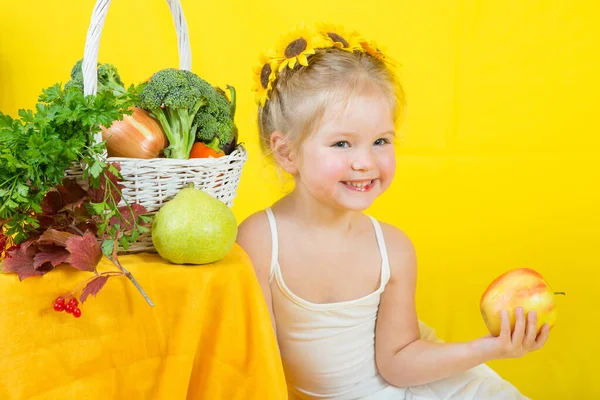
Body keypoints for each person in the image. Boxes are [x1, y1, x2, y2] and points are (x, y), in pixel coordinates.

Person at [237, 23, 549, 400]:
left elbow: (398, 363)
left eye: (381, 141)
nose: (365, 162)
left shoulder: (393, 249)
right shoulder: (260, 240)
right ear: (287, 153)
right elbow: (256, 364)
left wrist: (491, 346)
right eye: (341, 143)